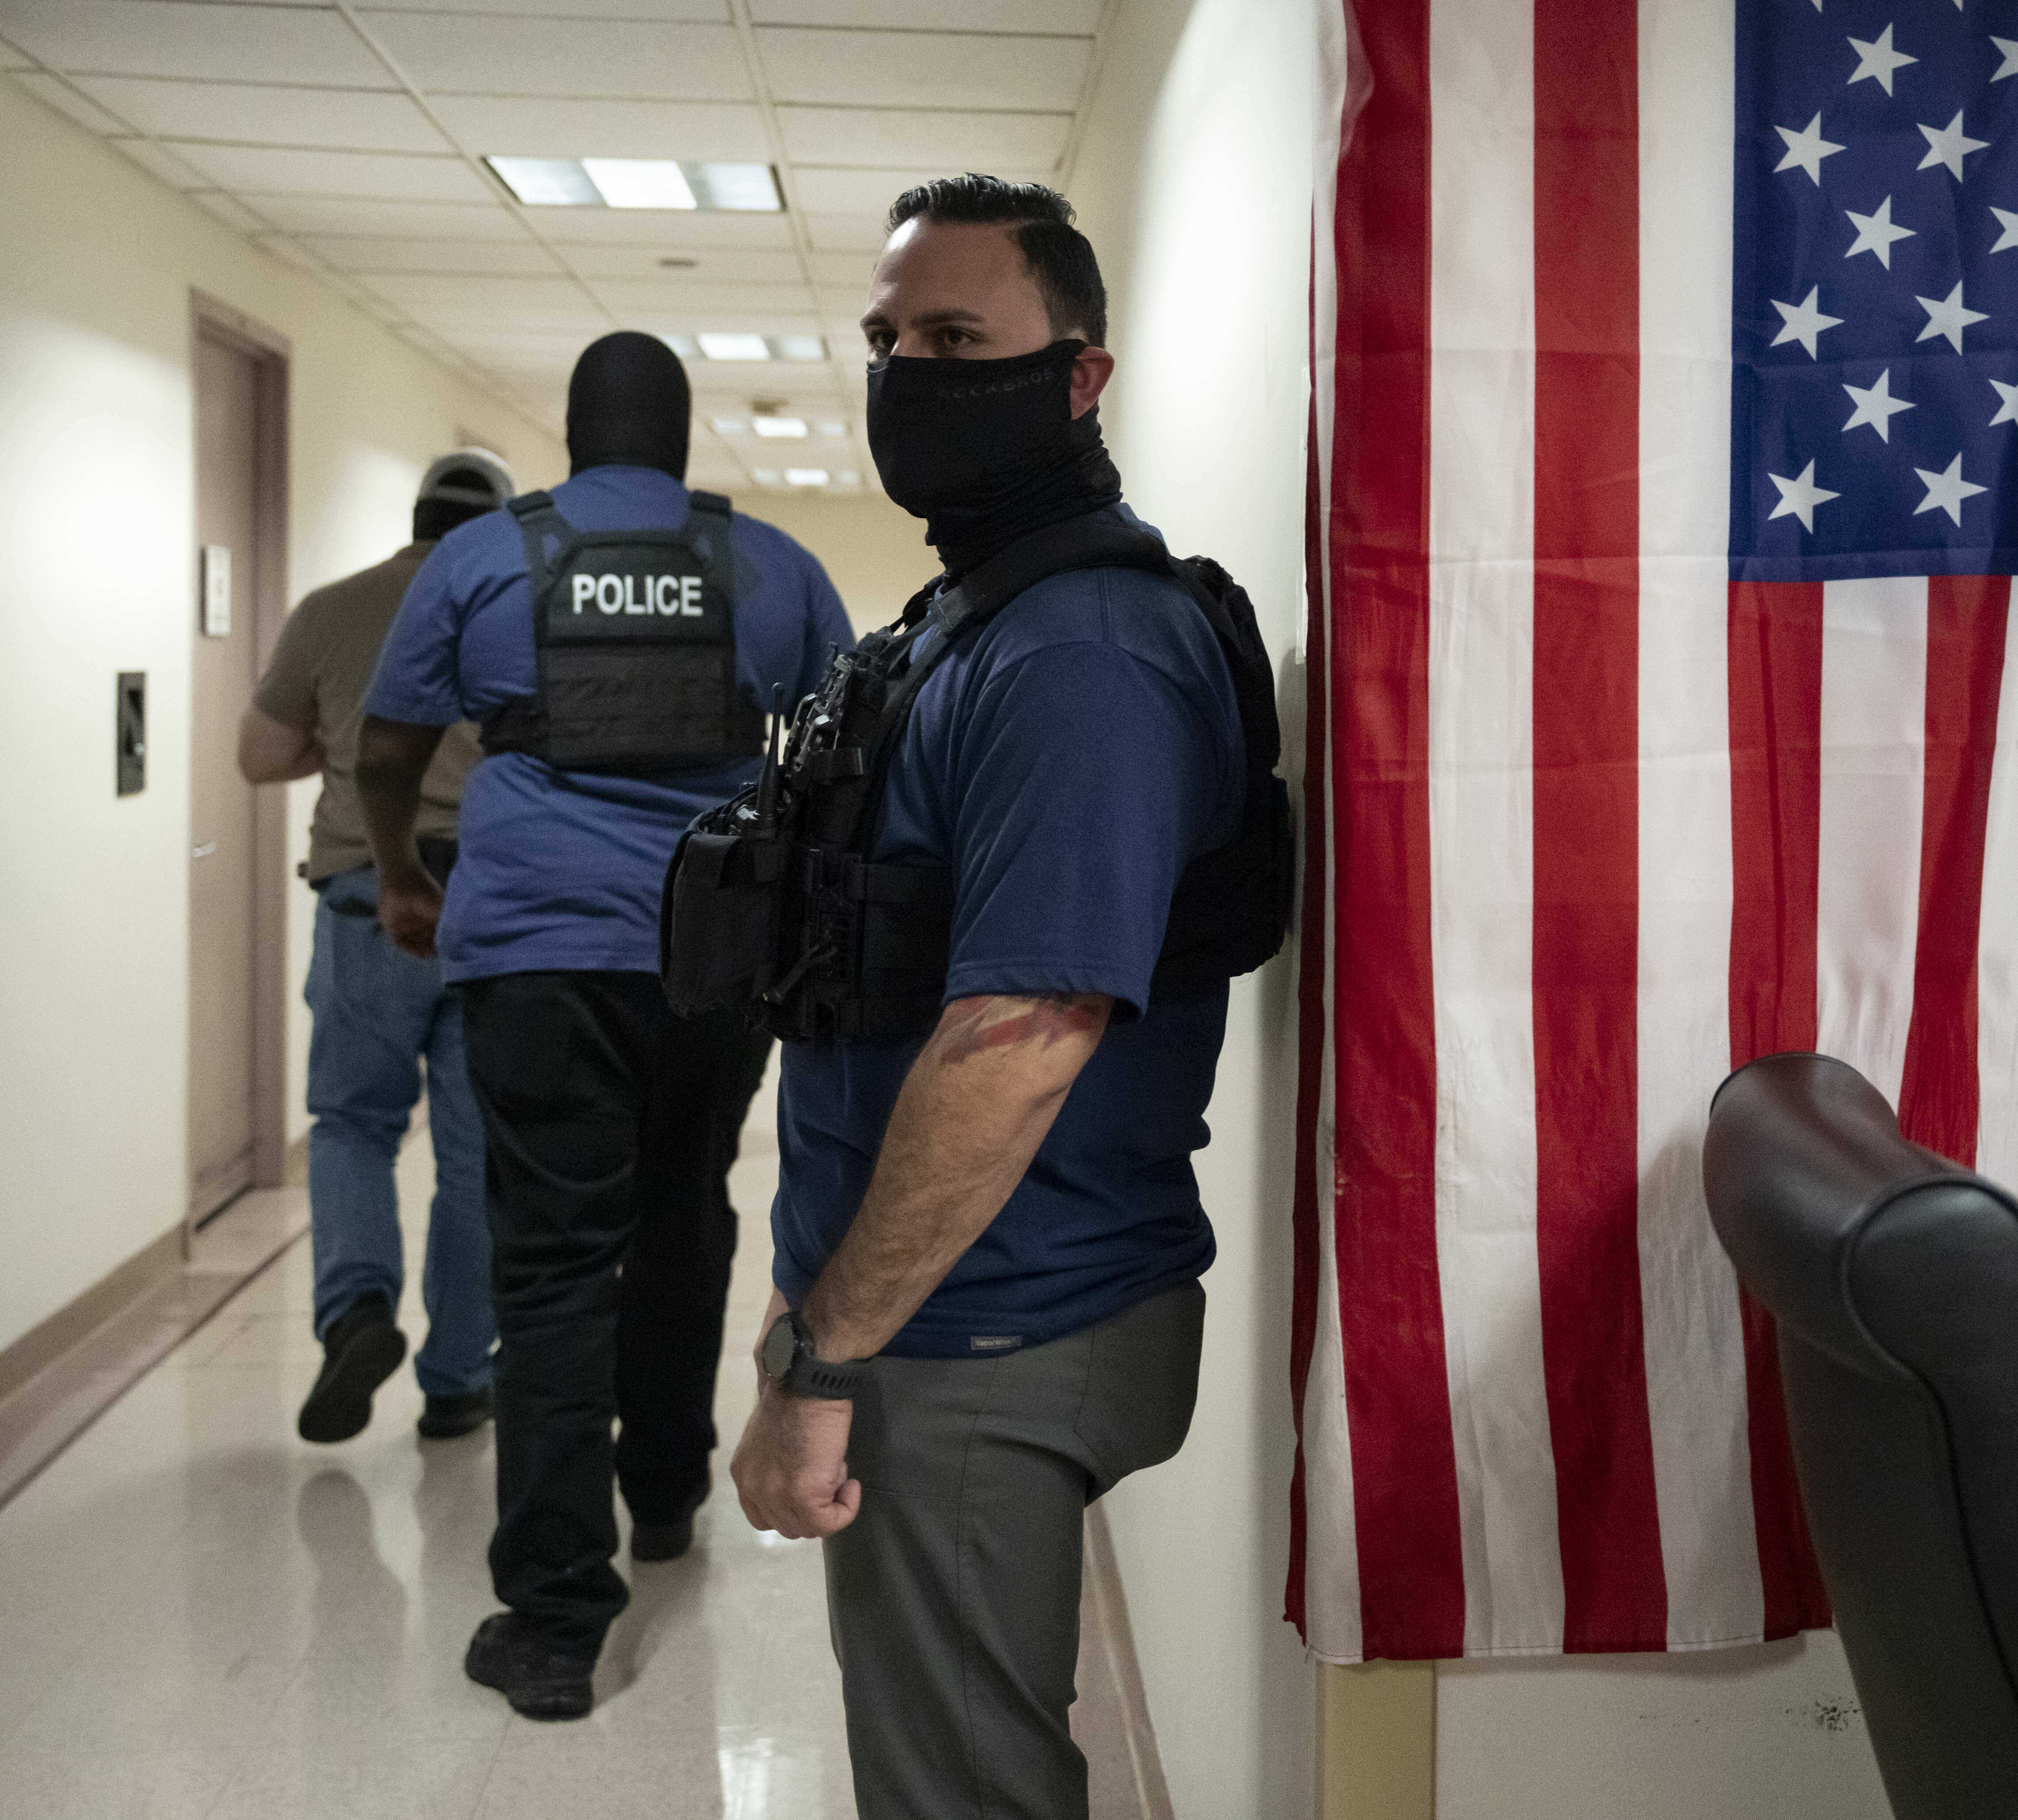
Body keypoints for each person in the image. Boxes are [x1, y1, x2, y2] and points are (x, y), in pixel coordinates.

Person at [728, 175, 1280, 1819]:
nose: (908, 374)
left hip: (983, 1320)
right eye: (888, 338)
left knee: (956, 1791)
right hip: (958, 1295)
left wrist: (822, 1360)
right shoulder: (976, 621)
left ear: (1080, 373)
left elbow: (1020, 1039)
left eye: (958, 336)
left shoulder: (1079, 655)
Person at [356, 332, 852, 1721]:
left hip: (531, 956)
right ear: (682, 442)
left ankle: (558, 1618)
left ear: (573, 438)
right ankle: (669, 1493)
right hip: (710, 955)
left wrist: (400, 868)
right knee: (687, 1214)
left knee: (556, 1266)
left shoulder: (482, 559)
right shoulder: (770, 568)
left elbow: (387, 746)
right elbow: (839, 752)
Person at [238, 451, 510, 1447]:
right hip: (488, 910)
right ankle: (456, 1383)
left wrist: (335, 742)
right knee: (477, 1157)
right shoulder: (510, 609)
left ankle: (355, 1313)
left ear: (412, 517)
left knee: (352, 1126)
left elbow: (261, 756)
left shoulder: (331, 608)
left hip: (367, 899)